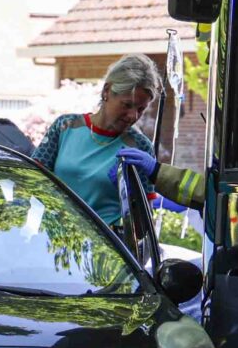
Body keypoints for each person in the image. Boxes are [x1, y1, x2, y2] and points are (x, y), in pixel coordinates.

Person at [33, 54, 206, 224]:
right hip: (55, 237)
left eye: (141, 109)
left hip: (106, 245)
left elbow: (144, 223)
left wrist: (131, 196)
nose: (133, 115)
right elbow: (32, 183)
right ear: (106, 91)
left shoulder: (139, 147)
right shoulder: (65, 127)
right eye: (127, 105)